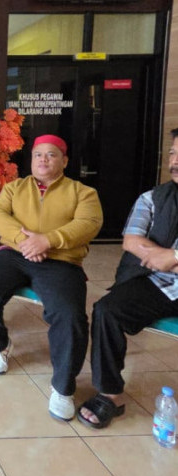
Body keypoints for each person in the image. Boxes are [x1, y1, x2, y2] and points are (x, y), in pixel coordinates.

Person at [0, 134, 103, 421]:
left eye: (51, 155)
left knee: (69, 315)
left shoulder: (83, 192)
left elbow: (88, 224)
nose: (43, 160)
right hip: (14, 253)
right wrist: (26, 243)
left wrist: (48, 240)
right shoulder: (15, 188)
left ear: (64, 161)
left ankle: (63, 387)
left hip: (61, 260)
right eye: (38, 155)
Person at [78, 128, 178, 429]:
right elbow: (132, 241)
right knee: (107, 310)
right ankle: (110, 393)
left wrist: (173, 257)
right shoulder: (153, 198)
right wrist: (164, 259)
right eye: (172, 153)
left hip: (166, 272)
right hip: (160, 282)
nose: (174, 161)